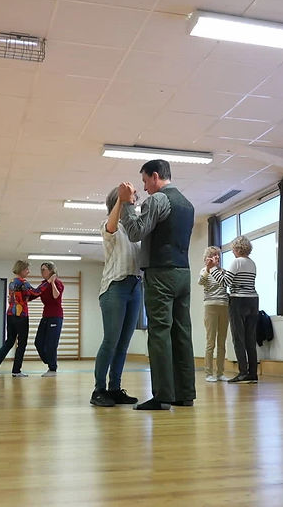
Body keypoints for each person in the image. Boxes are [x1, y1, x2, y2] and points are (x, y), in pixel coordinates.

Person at [120, 159, 196, 410]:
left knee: (159, 333)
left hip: (161, 273)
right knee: (182, 332)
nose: (145, 187)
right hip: (183, 273)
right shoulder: (188, 204)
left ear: (155, 176)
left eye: (145, 181)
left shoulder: (158, 200)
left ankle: (162, 396)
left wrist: (127, 204)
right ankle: (185, 394)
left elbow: (135, 232)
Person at [91, 186, 142, 407]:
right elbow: (111, 227)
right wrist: (122, 200)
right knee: (111, 341)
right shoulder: (110, 225)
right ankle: (98, 390)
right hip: (114, 288)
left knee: (123, 343)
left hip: (135, 287)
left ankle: (114, 388)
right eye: (131, 199)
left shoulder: (134, 230)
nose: (134, 202)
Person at [207, 236, 258, 384]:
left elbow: (225, 282)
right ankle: (252, 373)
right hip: (253, 300)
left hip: (238, 301)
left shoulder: (237, 262)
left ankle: (243, 373)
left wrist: (213, 268)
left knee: (238, 338)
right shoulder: (252, 263)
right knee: (250, 338)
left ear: (237, 249)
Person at [0, 260, 42, 377]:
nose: (28, 272)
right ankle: (16, 371)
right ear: (21, 270)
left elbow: (25, 296)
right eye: (27, 269)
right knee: (22, 343)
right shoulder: (23, 282)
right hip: (21, 315)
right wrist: (46, 284)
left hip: (10, 314)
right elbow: (35, 293)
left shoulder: (12, 282)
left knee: (9, 341)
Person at [198, 246, 229, 383]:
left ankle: (220, 373)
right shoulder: (204, 271)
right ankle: (208, 373)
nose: (216, 257)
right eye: (213, 255)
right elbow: (200, 282)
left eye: (218, 255)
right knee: (211, 341)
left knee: (222, 342)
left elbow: (226, 284)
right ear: (207, 258)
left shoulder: (223, 272)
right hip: (210, 306)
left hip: (224, 306)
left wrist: (215, 269)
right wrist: (208, 268)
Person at [33, 261, 65, 377]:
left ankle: (52, 368)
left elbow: (56, 296)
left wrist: (52, 283)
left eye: (44, 269)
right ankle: (49, 361)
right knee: (38, 342)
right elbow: (34, 294)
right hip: (45, 316)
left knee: (51, 344)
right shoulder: (43, 284)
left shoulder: (58, 283)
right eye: (41, 270)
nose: (42, 272)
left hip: (56, 316)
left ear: (51, 270)